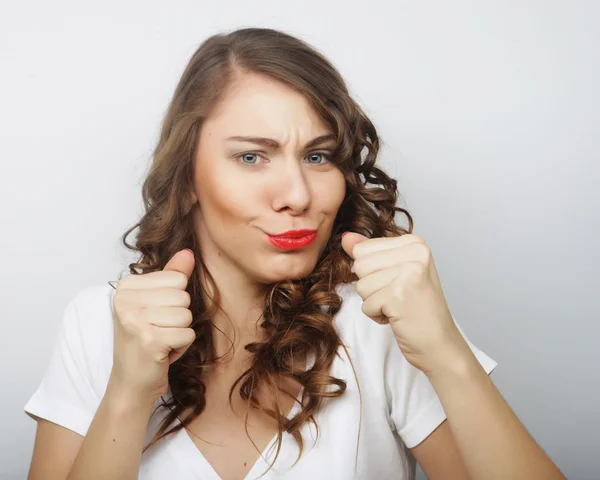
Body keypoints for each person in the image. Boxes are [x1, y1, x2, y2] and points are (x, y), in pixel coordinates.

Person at [24, 27, 565, 480]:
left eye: (318, 155)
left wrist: (446, 353)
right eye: (253, 156)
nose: (298, 196)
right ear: (186, 178)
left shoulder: (378, 323)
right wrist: (128, 392)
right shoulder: (98, 323)